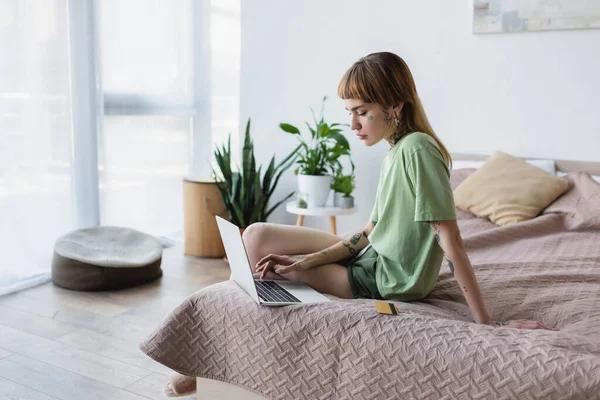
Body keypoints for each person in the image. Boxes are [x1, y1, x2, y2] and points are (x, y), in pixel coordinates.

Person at [163, 51, 555, 397]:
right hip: (370, 256)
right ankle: (219, 346)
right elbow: (369, 232)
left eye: (362, 111)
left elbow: (450, 239)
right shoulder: (397, 150)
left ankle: (203, 365)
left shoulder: (418, 150)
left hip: (386, 279)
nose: (353, 124)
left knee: (259, 254)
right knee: (257, 235)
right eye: (349, 111)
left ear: (395, 106)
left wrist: (485, 321)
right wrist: (306, 262)